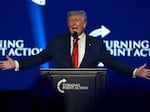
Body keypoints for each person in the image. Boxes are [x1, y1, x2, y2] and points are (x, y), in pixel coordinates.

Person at [0, 10, 150, 80]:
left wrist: (135, 71)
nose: (73, 23)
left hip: (89, 95)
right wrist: (17, 64)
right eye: (70, 21)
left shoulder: (96, 43)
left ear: (84, 24)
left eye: (77, 20)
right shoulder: (57, 41)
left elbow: (113, 63)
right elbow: (39, 58)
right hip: (61, 94)